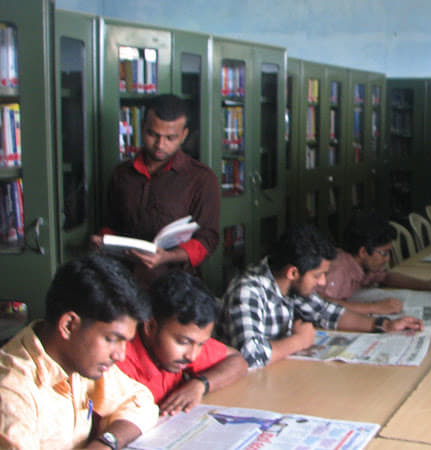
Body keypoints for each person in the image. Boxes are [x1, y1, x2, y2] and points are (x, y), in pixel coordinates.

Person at [0, 254, 158, 449]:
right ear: (68, 325)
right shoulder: (11, 391)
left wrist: (106, 442)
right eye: (111, 339)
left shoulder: (77, 359)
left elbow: (140, 401)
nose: (120, 355)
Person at [217, 224, 424, 367]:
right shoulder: (248, 290)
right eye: (318, 275)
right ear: (293, 272)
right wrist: (300, 341)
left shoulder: (290, 283)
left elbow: (328, 313)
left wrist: (385, 325)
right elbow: (251, 356)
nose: (323, 282)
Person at [91, 94, 220, 287]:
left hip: (177, 283)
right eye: (153, 134)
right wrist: (103, 240)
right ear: (142, 129)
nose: (160, 145)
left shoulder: (201, 179)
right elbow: (110, 222)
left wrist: (168, 256)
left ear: (184, 135)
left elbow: (207, 239)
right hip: (124, 280)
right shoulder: (122, 174)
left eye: (170, 138)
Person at [116, 271, 248, 417]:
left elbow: (237, 360)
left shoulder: (184, 346)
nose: (192, 356)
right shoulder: (119, 363)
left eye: (201, 344)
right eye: (183, 342)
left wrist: (200, 384)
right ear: (150, 327)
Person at [319, 211, 431, 315]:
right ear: (363, 252)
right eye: (384, 253)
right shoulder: (339, 270)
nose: (388, 259)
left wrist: (426, 285)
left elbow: (386, 277)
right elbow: (323, 304)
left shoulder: (363, 265)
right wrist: (375, 308)